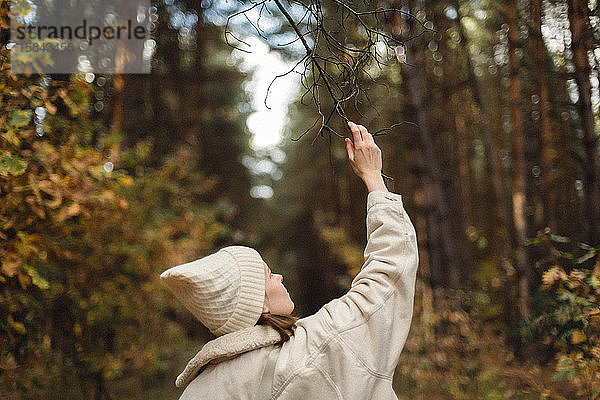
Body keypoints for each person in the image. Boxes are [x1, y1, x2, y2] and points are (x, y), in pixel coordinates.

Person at [160, 121, 419, 399]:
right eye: (268, 275)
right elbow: (385, 282)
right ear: (257, 303)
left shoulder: (198, 391)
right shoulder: (306, 354)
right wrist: (374, 179)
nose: (279, 277)